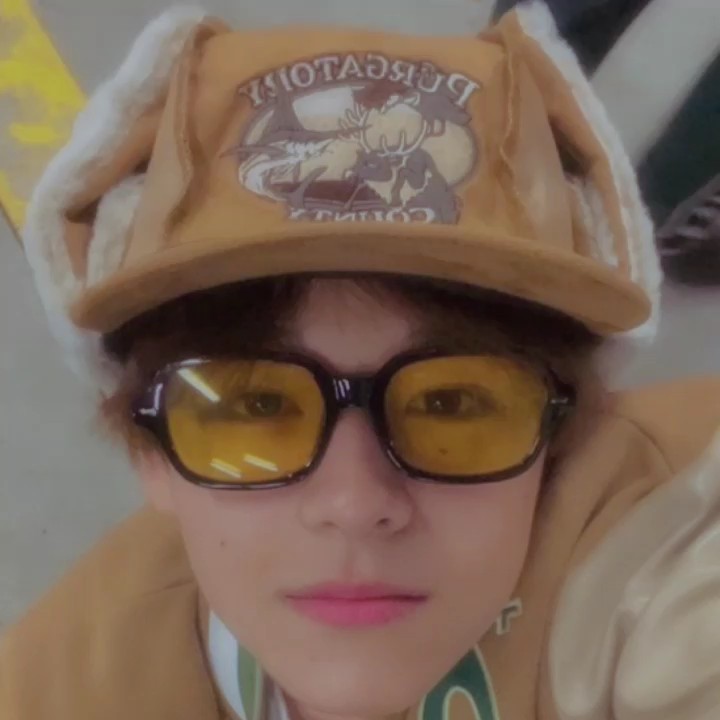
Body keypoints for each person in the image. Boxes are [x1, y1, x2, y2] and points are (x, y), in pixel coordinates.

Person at [2, 3, 720, 719]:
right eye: (257, 406)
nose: (354, 504)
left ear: (559, 439)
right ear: (151, 457)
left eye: (450, 403)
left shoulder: (658, 556)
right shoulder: (56, 688)